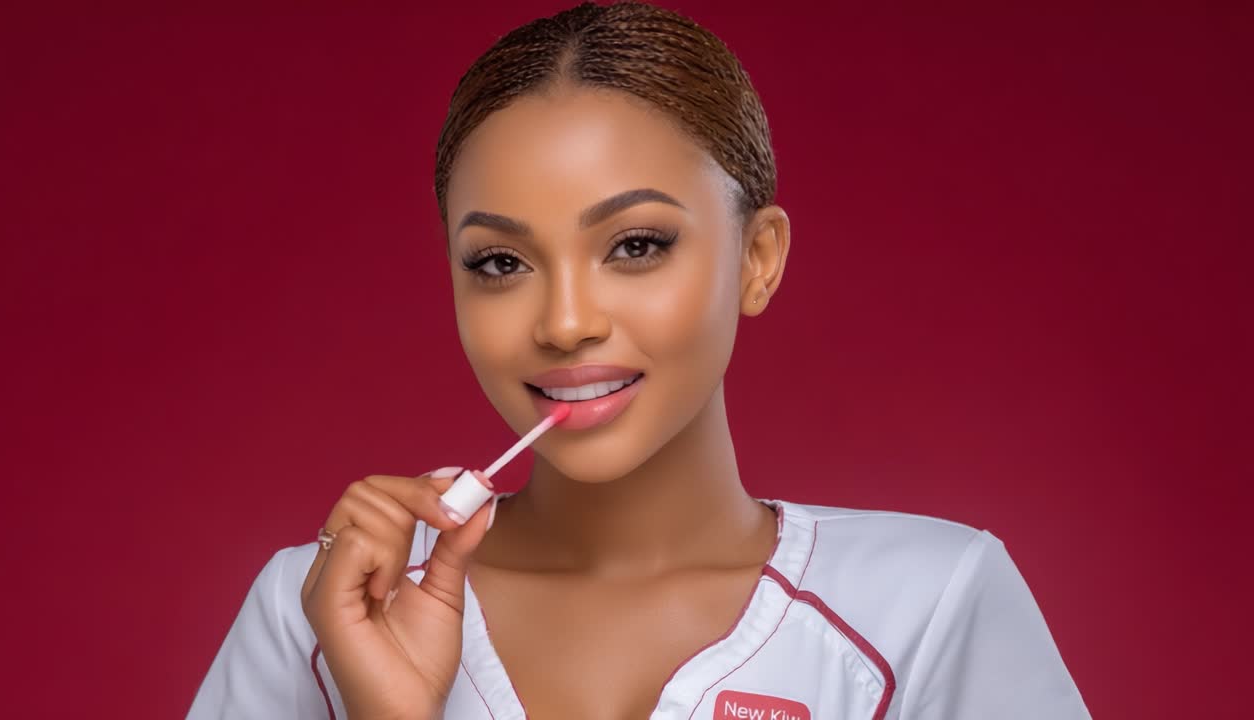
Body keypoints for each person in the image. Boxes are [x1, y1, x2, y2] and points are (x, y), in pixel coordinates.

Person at [186, 2, 1090, 718]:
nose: (566, 322)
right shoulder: (324, 609)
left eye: (637, 245)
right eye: (501, 263)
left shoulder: (924, 610)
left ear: (758, 259)